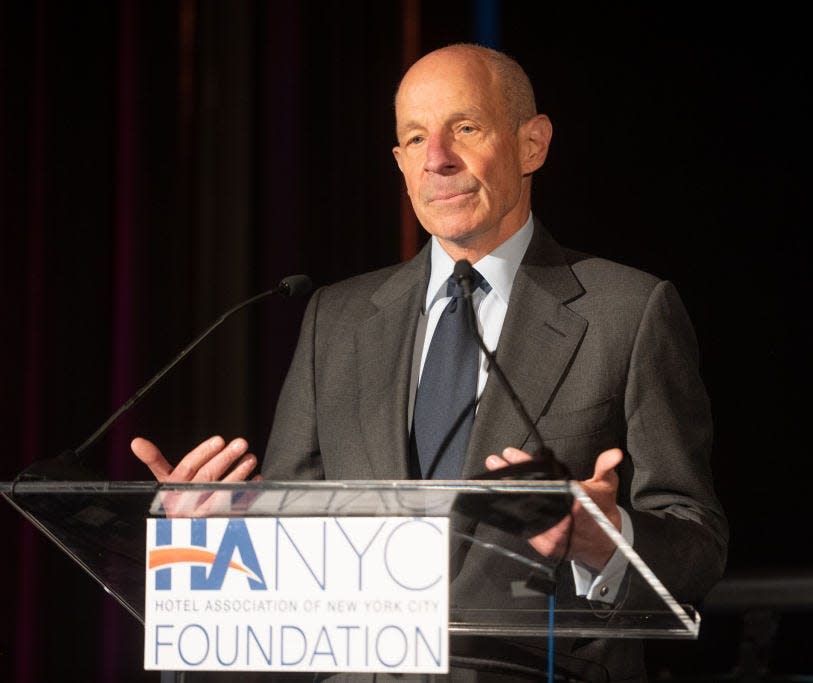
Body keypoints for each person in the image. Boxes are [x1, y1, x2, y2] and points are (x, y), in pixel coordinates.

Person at [133, 43, 728, 682]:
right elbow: (295, 534)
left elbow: (695, 542)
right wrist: (212, 541)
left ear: (533, 144)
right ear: (399, 162)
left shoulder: (628, 311)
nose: (438, 159)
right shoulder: (337, 319)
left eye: (465, 128)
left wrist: (603, 539)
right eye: (415, 139)